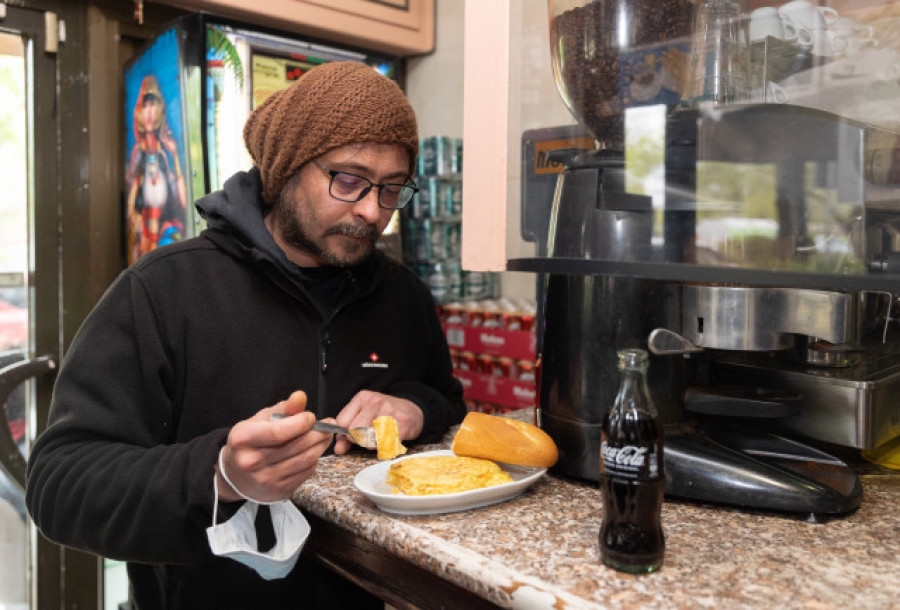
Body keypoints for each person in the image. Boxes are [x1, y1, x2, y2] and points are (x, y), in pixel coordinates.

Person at [26, 61, 467, 609]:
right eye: (349, 180)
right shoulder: (163, 291)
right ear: (284, 168)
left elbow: (449, 402)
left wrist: (414, 408)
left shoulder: (403, 297)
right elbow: (60, 488)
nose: (371, 211)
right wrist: (220, 474)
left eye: (392, 188)